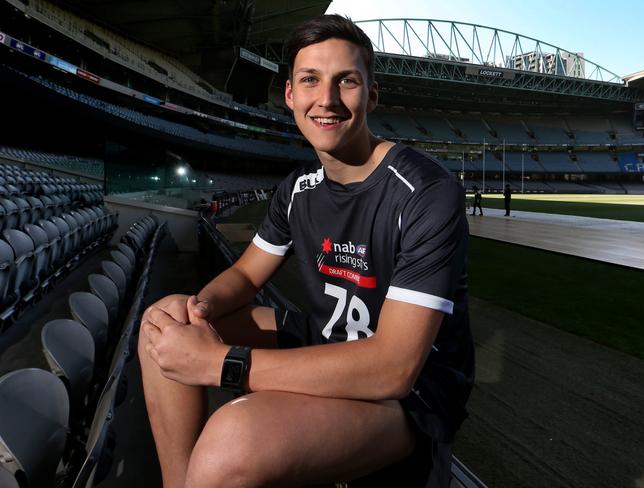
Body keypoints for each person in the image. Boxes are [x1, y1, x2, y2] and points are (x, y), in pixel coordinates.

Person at [139, 14, 474, 488]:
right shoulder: (297, 189)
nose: (328, 100)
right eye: (311, 80)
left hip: (412, 394)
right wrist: (201, 309)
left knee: (232, 441)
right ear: (291, 96)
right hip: (325, 340)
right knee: (165, 320)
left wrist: (217, 362)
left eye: (347, 82)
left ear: (371, 95)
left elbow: (393, 368)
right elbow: (246, 277)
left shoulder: (424, 191)